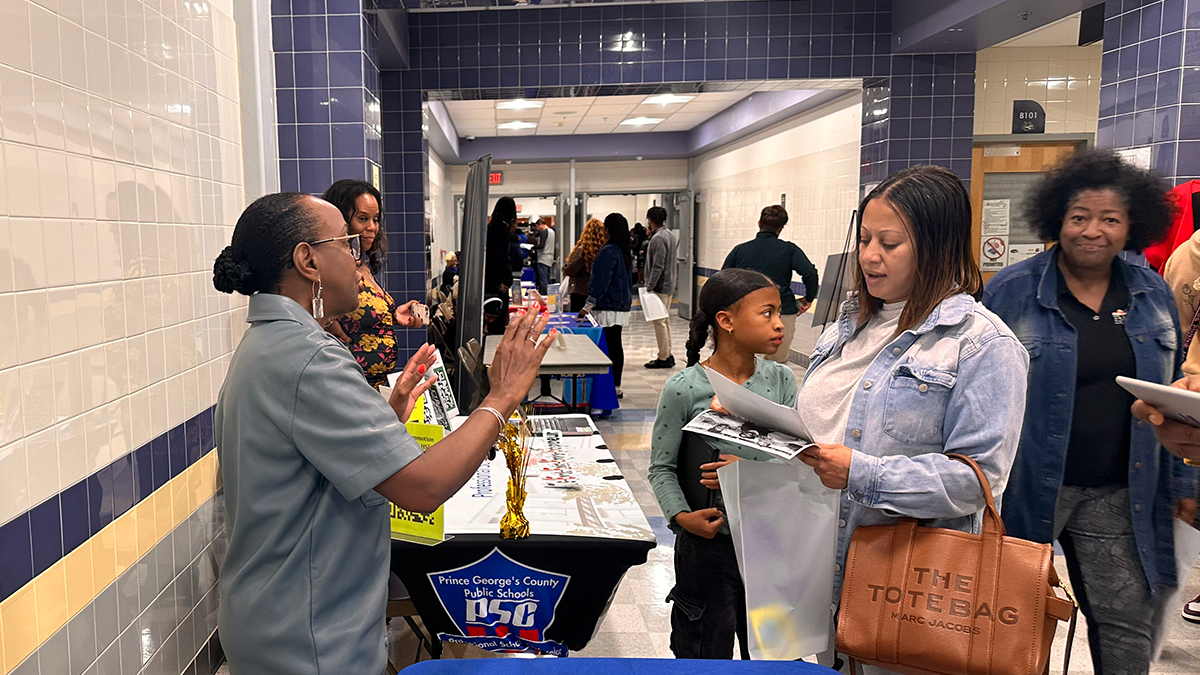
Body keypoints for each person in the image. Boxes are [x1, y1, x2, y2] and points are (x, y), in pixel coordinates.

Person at [210, 192, 554, 675]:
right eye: (347, 243)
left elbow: (305, 466)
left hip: (273, 617)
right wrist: (501, 397)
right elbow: (423, 487)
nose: (357, 258)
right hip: (307, 638)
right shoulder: (309, 358)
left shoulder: (271, 343)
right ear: (308, 260)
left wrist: (386, 420)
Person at [791, 166, 1028, 674]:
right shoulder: (849, 324)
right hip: (824, 568)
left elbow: (979, 479)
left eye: (890, 243)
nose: (869, 255)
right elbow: (826, 423)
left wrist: (862, 473)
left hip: (907, 586)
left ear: (937, 247)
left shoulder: (982, 345)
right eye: (864, 239)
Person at [984, 149, 1197, 672]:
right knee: (1006, 624)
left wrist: (1185, 487)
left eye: (1110, 219)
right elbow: (980, 390)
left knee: (1127, 627)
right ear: (1058, 219)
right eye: (1079, 217)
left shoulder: (1151, 294)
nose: (1092, 231)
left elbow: (1169, 396)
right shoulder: (1011, 291)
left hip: (1120, 490)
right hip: (1026, 488)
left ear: (1131, 226)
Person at [648, 268, 795, 660]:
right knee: (702, 652)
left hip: (768, 542)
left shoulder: (781, 381)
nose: (780, 324)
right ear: (726, 321)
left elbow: (796, 459)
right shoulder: (685, 388)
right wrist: (682, 517)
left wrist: (748, 467)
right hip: (707, 547)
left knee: (773, 655)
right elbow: (661, 468)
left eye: (779, 312)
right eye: (767, 313)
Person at [320, 179, 422, 389]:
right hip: (350, 384)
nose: (372, 227)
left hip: (377, 385)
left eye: (375, 219)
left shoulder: (362, 265)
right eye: (362, 218)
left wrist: (393, 315)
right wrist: (327, 321)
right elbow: (307, 306)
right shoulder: (331, 267)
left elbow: (361, 318)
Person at [722, 205, 819, 364]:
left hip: (748, 313)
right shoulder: (789, 250)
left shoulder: (740, 250)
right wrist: (808, 298)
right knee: (777, 364)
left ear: (759, 222)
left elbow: (723, 279)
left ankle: (746, 389)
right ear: (781, 228)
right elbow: (810, 273)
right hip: (782, 312)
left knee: (747, 363)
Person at [579, 213, 633, 398]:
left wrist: (588, 305)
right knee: (616, 345)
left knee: (608, 346)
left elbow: (601, 281)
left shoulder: (607, 251)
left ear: (607, 230)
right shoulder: (623, 250)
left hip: (607, 306)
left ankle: (607, 385)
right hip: (621, 305)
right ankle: (616, 384)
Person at [644, 206, 679, 369]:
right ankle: (667, 353)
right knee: (664, 321)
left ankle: (663, 356)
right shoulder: (670, 235)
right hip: (669, 284)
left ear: (650, 220)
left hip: (660, 286)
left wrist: (649, 287)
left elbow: (658, 266)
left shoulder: (658, 238)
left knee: (659, 322)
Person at [485, 197, 518, 334]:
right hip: (498, 286)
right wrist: (499, 283)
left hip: (489, 284)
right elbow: (498, 259)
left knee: (491, 324)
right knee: (497, 325)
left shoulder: (489, 229)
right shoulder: (502, 232)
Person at [562, 217, 607, 313]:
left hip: (580, 292)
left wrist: (565, 266)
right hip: (595, 294)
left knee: (579, 323)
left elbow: (570, 269)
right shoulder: (603, 251)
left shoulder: (583, 250)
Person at [534, 218, 556, 295]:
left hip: (543, 257)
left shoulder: (544, 232)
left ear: (540, 225)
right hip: (550, 257)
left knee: (543, 279)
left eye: (537, 227)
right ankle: (551, 296)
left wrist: (533, 247)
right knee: (548, 278)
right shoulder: (552, 231)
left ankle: (545, 295)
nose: (537, 229)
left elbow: (541, 245)